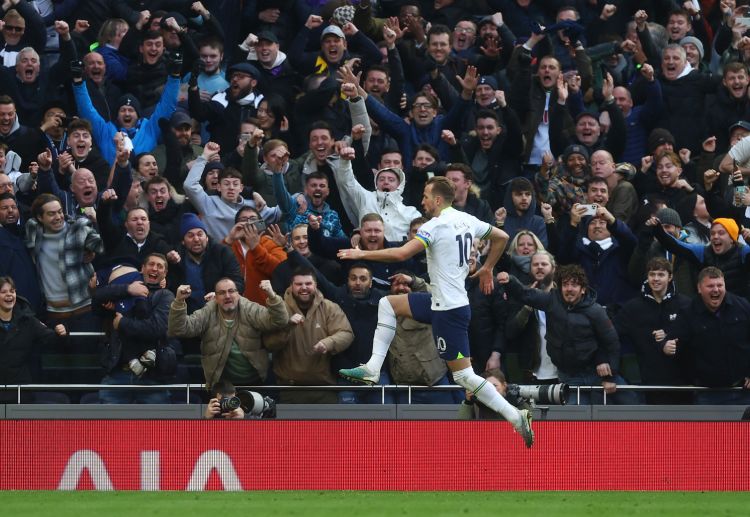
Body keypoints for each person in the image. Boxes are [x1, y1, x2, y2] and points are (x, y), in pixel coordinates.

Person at [337, 176, 533, 447]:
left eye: (426, 196)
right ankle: (372, 368)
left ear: (438, 200)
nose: (422, 201)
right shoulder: (467, 220)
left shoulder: (436, 225)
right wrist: (487, 267)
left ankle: (515, 416)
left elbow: (401, 254)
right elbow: (501, 236)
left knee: (464, 376)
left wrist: (360, 255)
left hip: (448, 311)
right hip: (440, 302)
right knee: (388, 304)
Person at [500, 264, 637, 406]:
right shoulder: (551, 301)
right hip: (569, 376)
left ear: (583, 289)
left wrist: (611, 376)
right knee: (574, 420)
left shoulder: (596, 311)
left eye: (574, 285)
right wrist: (510, 280)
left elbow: (612, 342)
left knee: (631, 405)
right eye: (565, 285)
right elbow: (526, 294)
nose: (569, 289)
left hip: (596, 372)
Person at [168, 278, 289, 390]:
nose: (227, 296)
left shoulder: (250, 308)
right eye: (221, 293)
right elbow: (179, 329)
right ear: (215, 297)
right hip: (221, 386)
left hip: (256, 382)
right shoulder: (208, 312)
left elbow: (280, 321)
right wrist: (179, 301)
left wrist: (272, 296)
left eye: (231, 291)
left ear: (238, 294)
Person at [93, 253, 178, 404]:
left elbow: (156, 328)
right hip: (118, 373)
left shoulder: (166, 296)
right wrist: (128, 289)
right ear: (142, 269)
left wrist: (122, 323)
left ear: (164, 274)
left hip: (152, 377)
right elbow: (97, 298)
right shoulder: (126, 289)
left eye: (160, 266)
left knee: (157, 427)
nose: (155, 269)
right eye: (151, 264)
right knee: (108, 426)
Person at [263, 268, 354, 404]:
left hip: (324, 388)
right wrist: (287, 327)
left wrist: (329, 343)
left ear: (315, 285)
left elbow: (347, 334)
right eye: (299, 284)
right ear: (291, 286)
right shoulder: (279, 309)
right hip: (288, 389)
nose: (304, 288)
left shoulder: (329, 307)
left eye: (308, 284)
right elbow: (269, 344)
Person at [615, 257, 692, 404]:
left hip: (683, 385)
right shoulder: (633, 308)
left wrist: (669, 336)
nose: (656, 279)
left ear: (670, 277)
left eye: (661, 274)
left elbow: (695, 337)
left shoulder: (685, 304)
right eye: (652, 274)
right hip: (648, 385)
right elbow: (610, 336)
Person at [675, 267, 750, 405]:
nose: (716, 290)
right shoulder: (687, 314)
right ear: (699, 288)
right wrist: (664, 344)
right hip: (707, 394)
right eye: (710, 286)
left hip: (744, 391)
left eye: (720, 285)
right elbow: (677, 348)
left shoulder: (743, 306)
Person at [0, 275, 66, 403]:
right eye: (3, 292)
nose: (9, 295)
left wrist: (61, 332)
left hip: (20, 391)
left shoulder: (28, 320)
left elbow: (52, 340)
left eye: (12, 291)